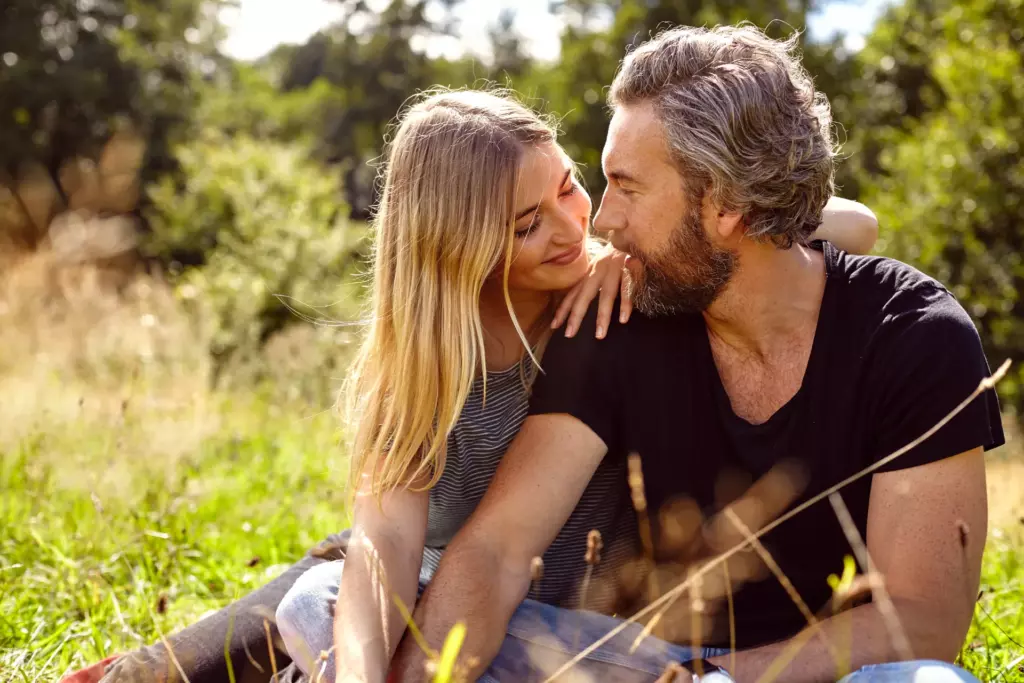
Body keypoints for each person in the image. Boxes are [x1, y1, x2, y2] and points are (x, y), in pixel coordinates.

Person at [80, 89, 878, 683]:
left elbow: (856, 226)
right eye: (527, 223)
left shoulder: (613, 295)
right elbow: (388, 543)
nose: (573, 228)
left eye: (569, 186)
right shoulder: (424, 364)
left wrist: (645, 251)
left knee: (317, 587)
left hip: (575, 627)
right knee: (324, 587)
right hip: (438, 599)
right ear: (458, 247)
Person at [374, 26, 1004, 683]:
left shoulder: (915, 335)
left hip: (819, 672)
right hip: (645, 663)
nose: (602, 220)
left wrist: (712, 679)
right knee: (342, 607)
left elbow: (921, 619)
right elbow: (497, 551)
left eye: (628, 187)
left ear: (727, 205)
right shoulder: (619, 319)